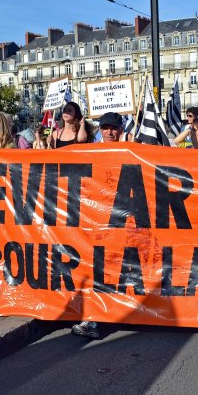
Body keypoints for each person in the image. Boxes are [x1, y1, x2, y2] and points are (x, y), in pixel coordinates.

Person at [72, 112, 125, 340]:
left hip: (121, 222)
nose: (109, 132)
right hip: (94, 222)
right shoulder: (90, 152)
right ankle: (92, 318)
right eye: (105, 128)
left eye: (113, 128)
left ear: (120, 130)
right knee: (95, 270)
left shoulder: (132, 152)